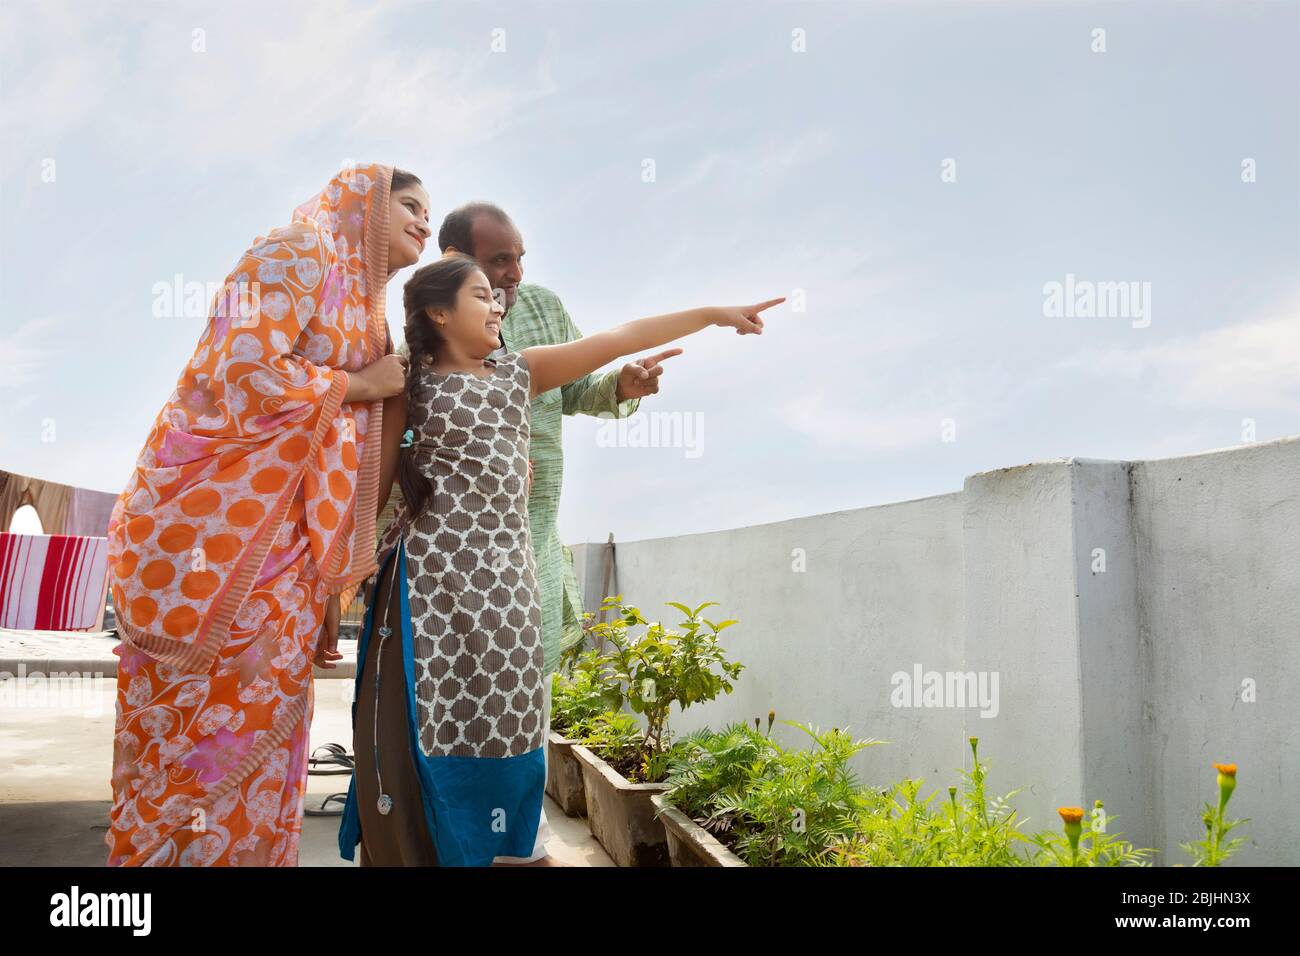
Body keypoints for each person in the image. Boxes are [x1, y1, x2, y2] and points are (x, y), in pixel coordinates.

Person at [335, 251, 781, 866]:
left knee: (512, 730)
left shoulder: (520, 374)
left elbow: (615, 340)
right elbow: (372, 495)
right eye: (480, 296)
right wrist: (329, 599)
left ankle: (509, 852)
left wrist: (711, 315)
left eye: (496, 296)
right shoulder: (407, 383)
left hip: (511, 592)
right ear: (438, 312)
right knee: (421, 730)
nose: (497, 307)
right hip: (427, 594)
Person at [104, 162, 431, 866]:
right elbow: (238, 370)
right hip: (207, 533)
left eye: (429, 212)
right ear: (363, 204)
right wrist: (356, 383)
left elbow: (352, 452)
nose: (423, 222)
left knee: (262, 739)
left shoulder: (367, 314)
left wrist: (322, 591)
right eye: (408, 203)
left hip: (281, 555)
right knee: (184, 741)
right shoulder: (298, 250)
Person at [438, 203, 671, 863]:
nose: (513, 273)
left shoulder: (539, 307)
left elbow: (582, 384)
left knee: (525, 699)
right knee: (461, 701)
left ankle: (520, 838)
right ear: (455, 260)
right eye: (498, 260)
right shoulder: (433, 332)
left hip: (532, 541)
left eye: (518, 257)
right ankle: (457, 835)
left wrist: (622, 384)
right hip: (459, 550)